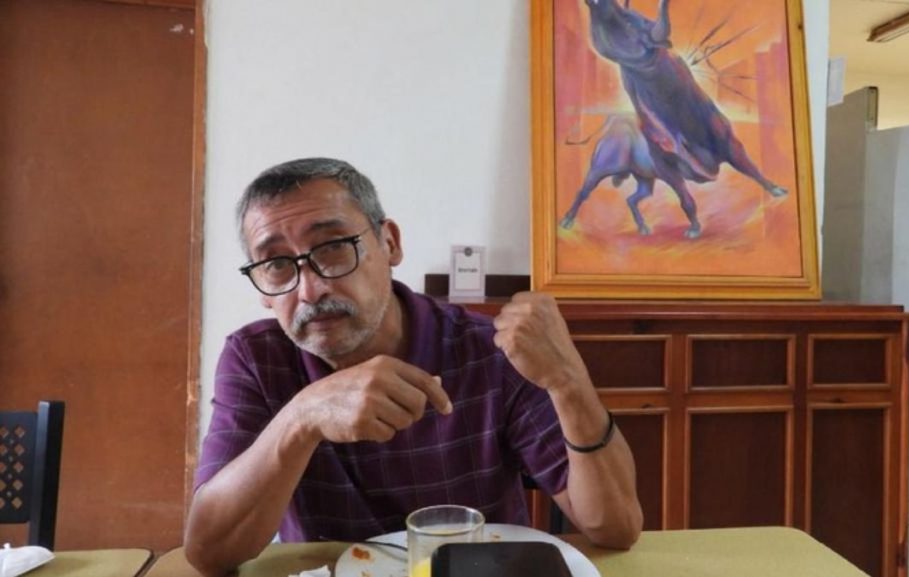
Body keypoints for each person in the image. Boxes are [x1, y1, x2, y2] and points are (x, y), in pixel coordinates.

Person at [183, 157, 643, 577]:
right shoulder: (256, 358)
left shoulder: (490, 349)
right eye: (277, 264)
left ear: (390, 243)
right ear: (261, 287)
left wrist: (569, 380)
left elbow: (616, 527)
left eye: (333, 247)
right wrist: (302, 418)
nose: (310, 289)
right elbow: (208, 552)